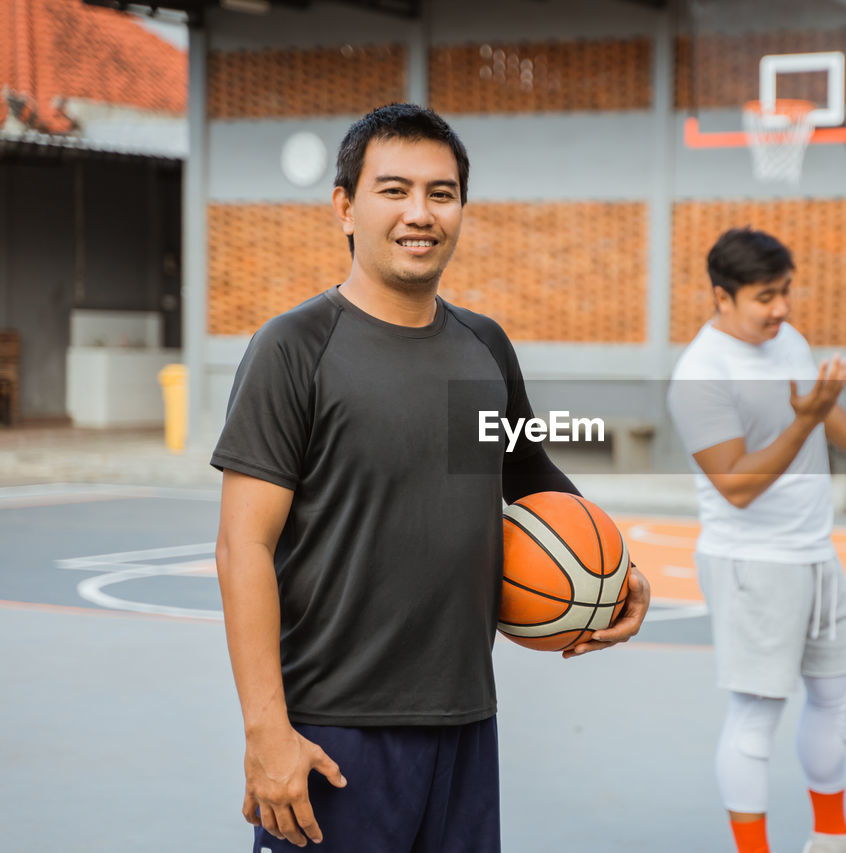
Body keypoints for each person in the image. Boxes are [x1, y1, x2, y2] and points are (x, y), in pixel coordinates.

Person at [212, 103, 650, 853]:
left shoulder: (484, 346)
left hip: (466, 722)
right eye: (394, 190)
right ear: (345, 207)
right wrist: (266, 732)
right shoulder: (293, 348)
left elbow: (531, 471)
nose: (421, 213)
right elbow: (241, 548)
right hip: (333, 730)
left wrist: (616, 570)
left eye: (441, 193)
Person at [666, 227, 846, 853]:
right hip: (752, 564)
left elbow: (822, 407)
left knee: (841, 690)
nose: (782, 309)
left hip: (812, 551)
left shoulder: (787, 340)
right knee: (756, 716)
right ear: (722, 297)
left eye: (786, 293)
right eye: (765, 297)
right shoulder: (700, 375)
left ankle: (831, 839)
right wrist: (804, 420)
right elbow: (737, 485)